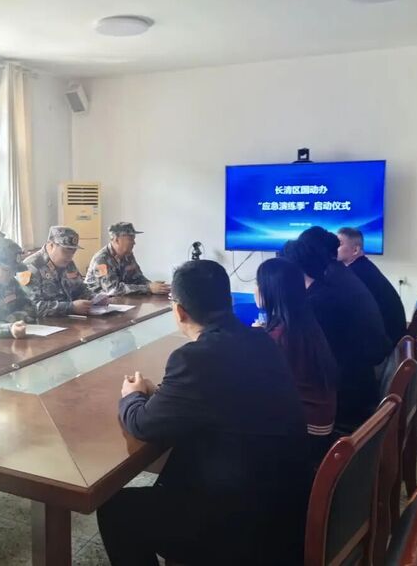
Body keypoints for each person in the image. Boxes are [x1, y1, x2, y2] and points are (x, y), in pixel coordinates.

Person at [97, 260, 310, 565]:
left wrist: (132, 396)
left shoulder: (194, 359)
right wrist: (163, 395)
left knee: (117, 511)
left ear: (179, 311)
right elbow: (218, 397)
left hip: (243, 520)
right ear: (228, 300)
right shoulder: (260, 339)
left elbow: (142, 425)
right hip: (285, 498)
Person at [282, 235, 389, 431]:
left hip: (347, 397)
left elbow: (310, 357)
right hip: (362, 376)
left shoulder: (320, 300)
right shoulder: (336, 279)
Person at [255, 257, 337, 462]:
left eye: (258, 284)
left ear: (270, 290)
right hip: (320, 422)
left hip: (305, 434)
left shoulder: (280, 337)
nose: (255, 290)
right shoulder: (302, 322)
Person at [338, 227, 408, 345]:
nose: (333, 247)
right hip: (392, 334)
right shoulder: (363, 266)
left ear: (355, 250)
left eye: (339, 244)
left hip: (386, 340)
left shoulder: (355, 274)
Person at [21, 226, 107, 317]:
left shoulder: (69, 264)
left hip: (72, 319)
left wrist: (95, 298)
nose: (70, 256)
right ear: (51, 245)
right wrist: (70, 307)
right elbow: (31, 307)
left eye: (73, 252)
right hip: (45, 323)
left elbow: (81, 289)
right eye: (65, 251)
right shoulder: (31, 266)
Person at [85, 222, 170, 296]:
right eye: (130, 239)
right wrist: (148, 288)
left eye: (134, 239)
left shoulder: (128, 255)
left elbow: (138, 278)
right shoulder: (100, 260)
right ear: (116, 240)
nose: (134, 243)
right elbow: (113, 289)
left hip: (121, 300)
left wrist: (154, 286)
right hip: (97, 304)